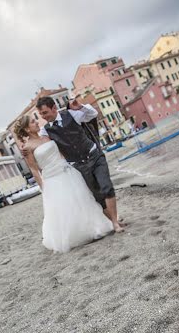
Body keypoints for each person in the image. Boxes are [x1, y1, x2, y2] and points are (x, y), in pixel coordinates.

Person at [13, 115, 113, 254]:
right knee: (65, 207)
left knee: (80, 200)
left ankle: (94, 226)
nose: (37, 122)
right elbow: (34, 169)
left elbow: (60, 153)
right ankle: (75, 234)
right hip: (51, 178)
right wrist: (43, 187)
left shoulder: (45, 136)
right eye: (33, 121)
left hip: (66, 171)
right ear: (26, 128)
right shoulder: (27, 148)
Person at [36, 96, 124, 233]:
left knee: (107, 186)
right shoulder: (45, 130)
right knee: (97, 197)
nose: (43, 117)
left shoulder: (71, 114)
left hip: (94, 156)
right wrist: (28, 147)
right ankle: (114, 220)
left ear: (54, 108)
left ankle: (115, 223)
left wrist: (81, 106)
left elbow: (93, 114)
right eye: (41, 114)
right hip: (78, 166)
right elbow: (42, 145)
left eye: (45, 112)